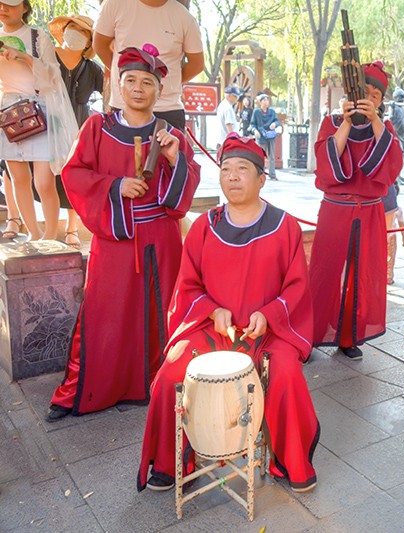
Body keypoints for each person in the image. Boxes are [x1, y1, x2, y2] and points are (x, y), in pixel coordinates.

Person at [138, 133, 319, 493]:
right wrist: (211, 310)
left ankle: (290, 461)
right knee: (171, 370)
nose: (232, 176)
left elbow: (297, 287)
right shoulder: (204, 227)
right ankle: (171, 460)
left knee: (285, 372)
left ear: (261, 179)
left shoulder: (285, 227)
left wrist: (268, 314)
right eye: (225, 169)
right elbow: (187, 287)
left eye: (242, 169)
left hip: (267, 331)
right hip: (211, 329)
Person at [47, 46, 201, 420]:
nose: (137, 88)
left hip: (161, 237)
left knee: (162, 310)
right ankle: (86, 389)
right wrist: (115, 188)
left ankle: (159, 383)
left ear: (158, 89)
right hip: (115, 237)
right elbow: (73, 175)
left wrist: (174, 159)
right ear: (118, 83)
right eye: (130, 80)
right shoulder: (98, 128)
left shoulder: (171, 134)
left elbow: (190, 183)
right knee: (105, 310)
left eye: (147, 82)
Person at [309, 61, 403, 360]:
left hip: (370, 210)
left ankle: (349, 337)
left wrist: (375, 121)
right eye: (365, 91)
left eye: (376, 95)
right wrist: (347, 122)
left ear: (381, 101)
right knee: (324, 273)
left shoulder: (384, 128)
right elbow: (326, 163)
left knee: (361, 276)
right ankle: (309, 334)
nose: (369, 97)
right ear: (352, 91)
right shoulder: (332, 123)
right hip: (335, 209)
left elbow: (392, 166)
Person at [0, 0, 75, 241]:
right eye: (0, 3)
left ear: (24, 7)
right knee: (18, 178)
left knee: (44, 181)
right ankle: (34, 234)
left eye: (10, 4)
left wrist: (23, 56)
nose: (4, 8)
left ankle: (51, 237)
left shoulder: (37, 36)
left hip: (38, 111)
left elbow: (53, 76)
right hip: (7, 112)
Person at [93, 0, 204, 131]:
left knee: (171, 151)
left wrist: (162, 82)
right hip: (122, 106)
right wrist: (126, 77)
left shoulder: (184, 17)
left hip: (167, 108)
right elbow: (99, 44)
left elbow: (197, 64)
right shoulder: (114, 4)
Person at [48, 13, 104, 249]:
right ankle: (45, 230)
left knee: (73, 178)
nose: (77, 34)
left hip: (79, 130)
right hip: (48, 125)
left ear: (90, 42)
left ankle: (72, 228)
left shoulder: (93, 70)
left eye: (84, 33)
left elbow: (109, 96)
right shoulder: (48, 56)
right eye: (73, 28)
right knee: (44, 178)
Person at [250, 93, 280, 180]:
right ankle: (260, 174)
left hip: (270, 136)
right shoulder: (256, 112)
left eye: (267, 100)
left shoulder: (272, 112)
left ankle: (272, 174)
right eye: (264, 100)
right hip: (261, 136)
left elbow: (277, 121)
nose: (266, 101)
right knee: (260, 156)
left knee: (272, 156)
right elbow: (252, 125)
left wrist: (274, 124)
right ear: (260, 102)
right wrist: (255, 131)